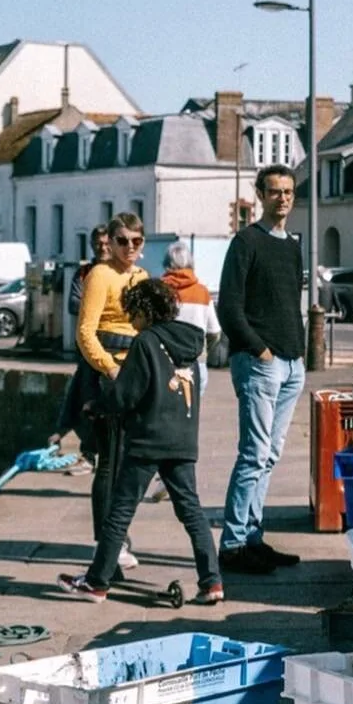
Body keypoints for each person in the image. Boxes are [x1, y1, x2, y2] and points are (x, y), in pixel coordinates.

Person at [57, 278, 223, 605]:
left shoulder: (145, 342)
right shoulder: (190, 342)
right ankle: (212, 582)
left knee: (120, 510)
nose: (131, 320)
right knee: (191, 510)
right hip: (183, 440)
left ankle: (96, 583)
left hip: (148, 440)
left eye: (133, 312)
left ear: (145, 312)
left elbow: (127, 393)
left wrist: (97, 407)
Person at [215, 166, 307, 574]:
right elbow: (229, 307)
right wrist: (261, 350)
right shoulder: (245, 242)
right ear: (260, 196)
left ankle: (253, 537)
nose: (283, 199)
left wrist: (296, 355)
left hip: (291, 364)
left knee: (270, 455)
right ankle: (232, 544)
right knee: (253, 454)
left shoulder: (292, 245)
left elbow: (289, 303)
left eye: (288, 192)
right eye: (274, 192)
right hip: (259, 364)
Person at [75, 212, 150, 572]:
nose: (129, 248)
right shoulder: (99, 275)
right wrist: (110, 368)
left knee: (129, 464)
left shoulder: (141, 277)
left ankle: (119, 534)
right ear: (111, 241)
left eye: (137, 241)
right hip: (109, 373)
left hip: (137, 372)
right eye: (122, 241)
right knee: (109, 462)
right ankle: (107, 541)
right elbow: (85, 331)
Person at [49, 225, 115, 468]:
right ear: (92, 245)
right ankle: (88, 452)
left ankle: (107, 452)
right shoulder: (84, 273)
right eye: (98, 243)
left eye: (107, 243)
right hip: (88, 347)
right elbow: (73, 304)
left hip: (113, 347)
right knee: (86, 398)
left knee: (110, 400)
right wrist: (98, 304)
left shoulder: (119, 271)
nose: (103, 247)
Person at [161, 240, 222, 393]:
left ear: (166, 263)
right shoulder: (202, 292)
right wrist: (202, 350)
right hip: (196, 362)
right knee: (191, 413)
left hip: (164, 362)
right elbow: (214, 332)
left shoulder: (159, 291)